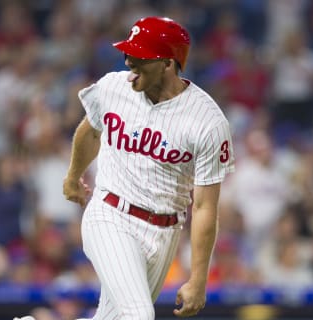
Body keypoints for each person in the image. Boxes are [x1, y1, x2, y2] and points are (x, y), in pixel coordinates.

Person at [62, 16, 235, 319]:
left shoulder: (207, 121)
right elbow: (90, 131)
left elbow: (206, 206)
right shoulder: (113, 87)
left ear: (168, 63)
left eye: (140, 56)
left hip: (165, 232)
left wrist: (199, 277)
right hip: (110, 214)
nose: (129, 61)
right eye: (128, 53)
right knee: (139, 315)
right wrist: (73, 176)